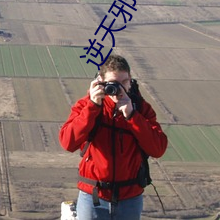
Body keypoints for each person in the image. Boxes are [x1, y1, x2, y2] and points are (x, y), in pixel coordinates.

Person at [59, 54, 168, 220]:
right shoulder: (87, 105)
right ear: (101, 81)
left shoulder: (141, 109)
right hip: (94, 196)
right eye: (114, 84)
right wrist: (93, 107)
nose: (120, 89)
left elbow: (158, 148)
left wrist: (132, 116)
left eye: (124, 82)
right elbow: (68, 142)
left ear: (130, 80)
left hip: (129, 198)